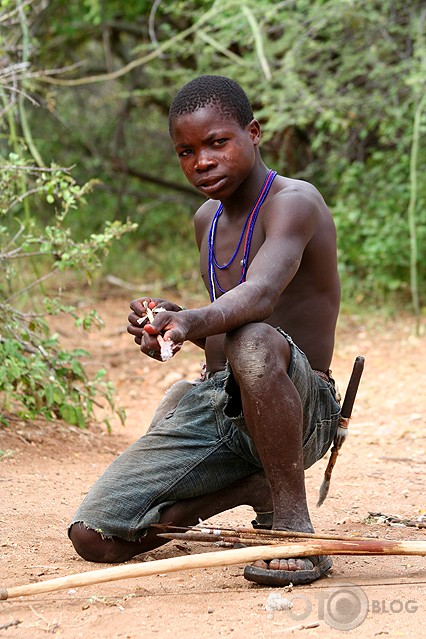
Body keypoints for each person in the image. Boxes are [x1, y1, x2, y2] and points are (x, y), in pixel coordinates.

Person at [69, 75, 341, 587]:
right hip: (220, 407)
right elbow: (223, 327)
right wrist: (172, 322)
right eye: (186, 151)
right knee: (96, 536)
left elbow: (258, 300)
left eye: (218, 142)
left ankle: (294, 528)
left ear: (254, 133)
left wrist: (192, 316)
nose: (202, 161)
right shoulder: (206, 219)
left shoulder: (295, 201)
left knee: (254, 338)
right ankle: (252, 489)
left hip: (301, 411)